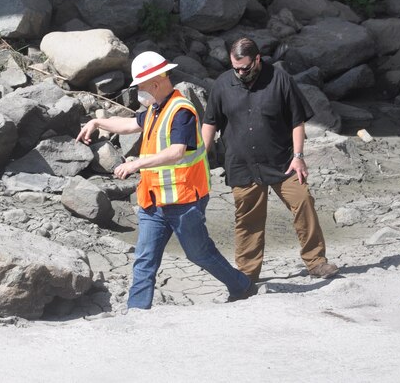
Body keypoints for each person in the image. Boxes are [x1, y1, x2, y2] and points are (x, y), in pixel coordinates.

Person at [77, 51, 254, 309]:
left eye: (140, 86)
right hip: (153, 199)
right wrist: (97, 121)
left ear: (156, 83)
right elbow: (128, 124)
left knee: (199, 253)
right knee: (145, 257)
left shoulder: (181, 110)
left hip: (185, 200)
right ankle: (137, 311)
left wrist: (136, 163)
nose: (138, 91)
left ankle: (241, 286)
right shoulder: (154, 109)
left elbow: (177, 151)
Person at [201, 37, 339, 281]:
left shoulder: (280, 79)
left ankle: (316, 261)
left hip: (282, 161)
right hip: (242, 165)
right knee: (247, 220)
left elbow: (297, 120)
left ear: (257, 59)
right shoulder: (223, 85)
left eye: (245, 67)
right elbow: (210, 122)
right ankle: (247, 274)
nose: (240, 73)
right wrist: (201, 156)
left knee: (303, 201)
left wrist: (298, 157)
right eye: (236, 68)